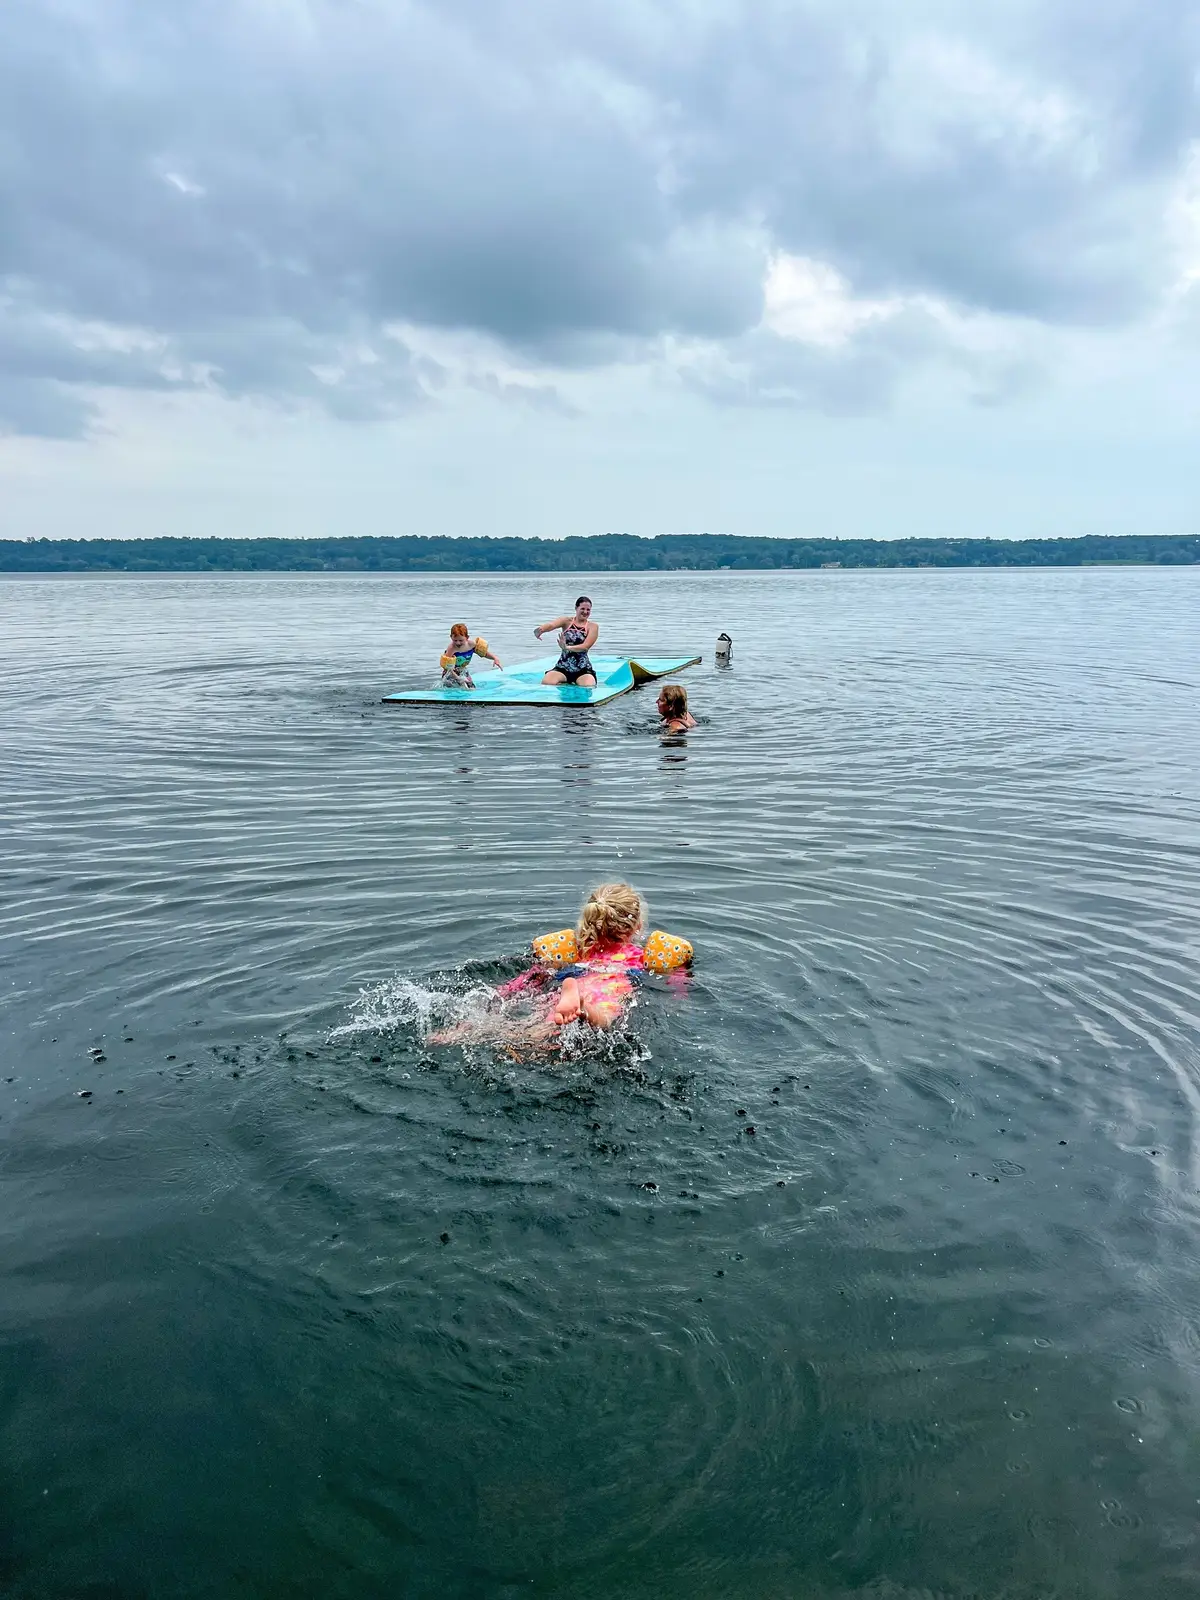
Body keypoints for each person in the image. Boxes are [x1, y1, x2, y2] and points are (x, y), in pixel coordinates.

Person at [429, 882, 649, 1049]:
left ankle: (457, 1032)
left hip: (565, 981)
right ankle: (583, 1006)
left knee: (529, 1030)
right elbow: (676, 987)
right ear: (637, 925)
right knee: (604, 1022)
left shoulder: (571, 953)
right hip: (611, 983)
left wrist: (500, 993)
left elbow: (528, 979)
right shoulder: (641, 956)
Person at [533, 596, 598, 687]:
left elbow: (585, 646)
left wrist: (567, 647)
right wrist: (540, 630)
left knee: (588, 685)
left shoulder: (593, 626)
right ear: (576, 608)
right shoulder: (566, 621)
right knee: (547, 682)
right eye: (582, 609)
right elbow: (552, 625)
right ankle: (565, 682)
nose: (585, 612)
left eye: (588, 610)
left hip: (582, 669)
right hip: (563, 666)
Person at [440, 623, 502, 688]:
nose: (458, 643)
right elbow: (448, 667)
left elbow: (483, 653)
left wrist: (494, 658)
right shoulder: (451, 648)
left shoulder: (471, 644)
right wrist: (458, 678)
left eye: (461, 640)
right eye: (455, 640)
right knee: (451, 691)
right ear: (451, 637)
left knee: (472, 688)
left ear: (467, 638)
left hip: (462, 670)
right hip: (451, 673)